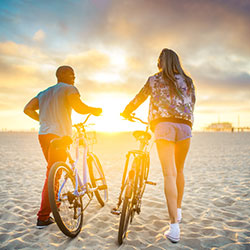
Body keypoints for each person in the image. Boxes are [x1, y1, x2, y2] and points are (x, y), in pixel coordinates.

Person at [121, 48, 196, 243]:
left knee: (168, 174)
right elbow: (192, 104)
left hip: (163, 126)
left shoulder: (154, 80)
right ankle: (177, 212)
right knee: (179, 170)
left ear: (160, 62)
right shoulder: (188, 81)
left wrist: (126, 111)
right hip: (185, 127)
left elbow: (139, 99)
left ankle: (174, 227)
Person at [24, 65, 102, 229]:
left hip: (44, 135)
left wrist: (42, 120)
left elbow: (28, 109)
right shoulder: (69, 89)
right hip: (60, 135)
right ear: (62, 75)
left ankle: (55, 204)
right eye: (71, 74)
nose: (74, 77)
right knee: (53, 174)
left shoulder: (44, 93)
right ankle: (43, 217)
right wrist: (95, 110)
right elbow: (79, 107)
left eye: (74, 75)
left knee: (54, 171)